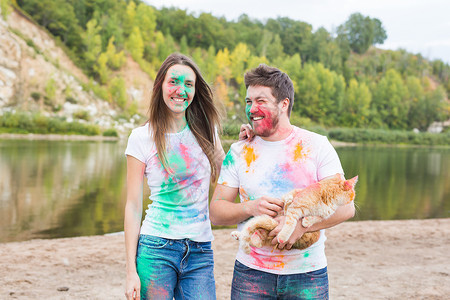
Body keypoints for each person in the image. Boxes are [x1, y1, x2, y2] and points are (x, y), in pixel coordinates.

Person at [210, 64, 355, 299]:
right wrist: (250, 207)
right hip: (251, 274)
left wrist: (301, 226)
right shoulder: (238, 151)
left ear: (284, 104)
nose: (252, 109)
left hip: (307, 274)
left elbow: (346, 208)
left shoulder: (316, 146)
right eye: (248, 102)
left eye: (261, 101)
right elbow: (216, 213)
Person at [124, 53, 225, 300]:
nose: (181, 90)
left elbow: (227, 174)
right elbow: (134, 205)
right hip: (156, 248)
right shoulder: (141, 137)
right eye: (174, 82)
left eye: (188, 84)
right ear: (160, 85)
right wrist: (130, 271)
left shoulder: (207, 131)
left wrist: (248, 143)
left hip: (200, 250)